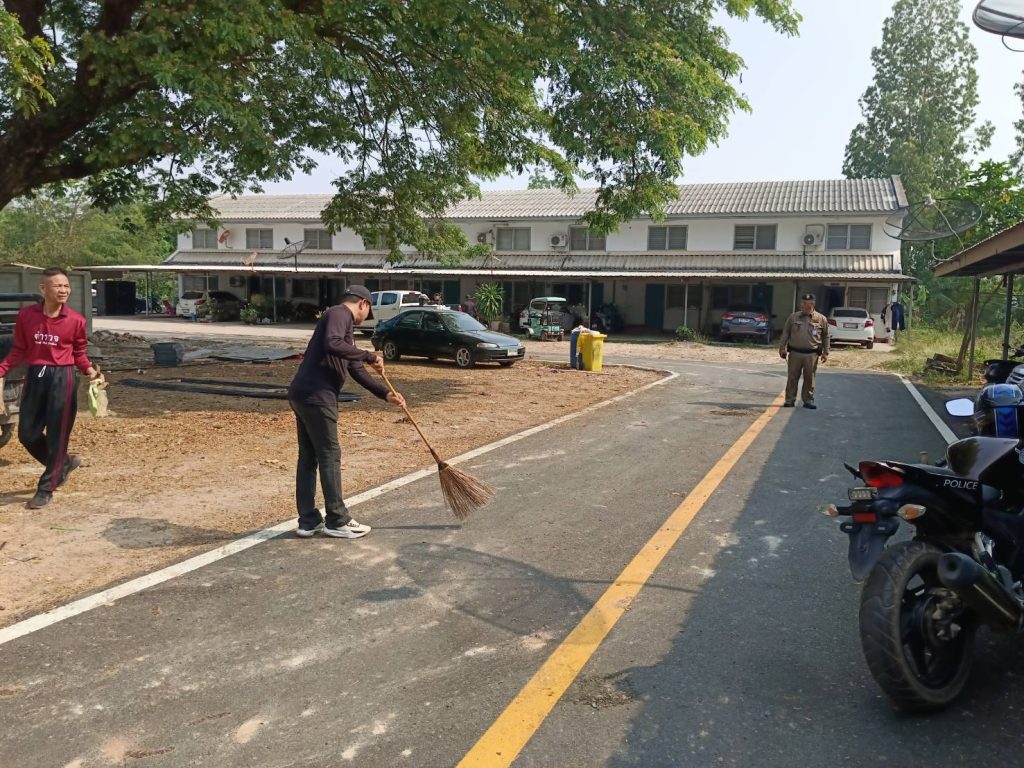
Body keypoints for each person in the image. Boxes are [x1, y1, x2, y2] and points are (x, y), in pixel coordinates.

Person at [287, 285, 405, 538]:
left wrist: (385, 394)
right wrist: (369, 355)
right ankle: (337, 520)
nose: (367, 316)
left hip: (303, 394)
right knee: (329, 455)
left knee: (309, 457)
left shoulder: (345, 330)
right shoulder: (339, 314)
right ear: (363, 303)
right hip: (317, 396)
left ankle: (308, 521)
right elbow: (332, 344)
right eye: (369, 310)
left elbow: (355, 368)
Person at [0, 267, 104, 509]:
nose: (63, 290)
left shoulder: (76, 320)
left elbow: (79, 353)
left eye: (66, 286)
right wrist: (2, 368)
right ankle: (63, 463)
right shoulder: (27, 316)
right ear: (43, 288)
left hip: (62, 377)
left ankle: (46, 487)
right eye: (58, 285)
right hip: (36, 375)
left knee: (58, 435)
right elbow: (19, 349)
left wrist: (90, 371)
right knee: (27, 434)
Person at [778, 292, 829, 409]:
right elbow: (786, 333)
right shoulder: (793, 317)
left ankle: (808, 400)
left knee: (809, 378)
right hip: (795, 353)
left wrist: (826, 352)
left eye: (805, 303)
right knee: (792, 377)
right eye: (802, 302)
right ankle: (790, 400)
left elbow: (826, 336)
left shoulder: (821, 319)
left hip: (811, 354)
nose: (802, 305)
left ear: (812, 304)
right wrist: (782, 347)